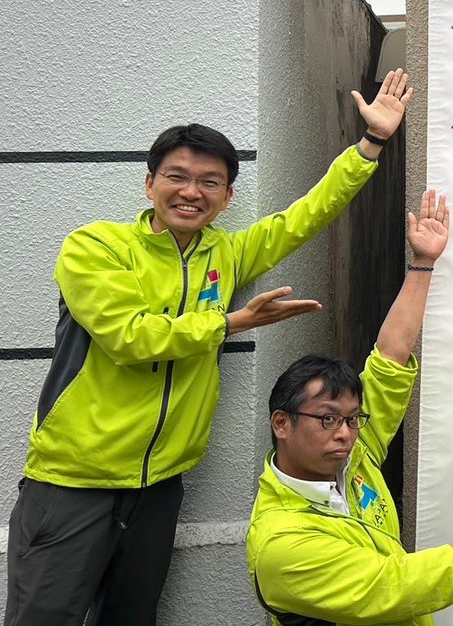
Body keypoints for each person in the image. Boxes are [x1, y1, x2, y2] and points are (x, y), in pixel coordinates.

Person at [5, 70, 414, 626]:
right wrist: (233, 322)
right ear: (149, 184)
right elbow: (130, 337)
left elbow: (303, 217)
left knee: (131, 618)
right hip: (73, 481)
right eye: (176, 176)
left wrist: (371, 145)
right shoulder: (95, 246)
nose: (191, 192)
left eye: (209, 182)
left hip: (160, 486)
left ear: (227, 197)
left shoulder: (225, 253)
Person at [247, 190, 453, 626]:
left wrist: (423, 263)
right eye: (327, 419)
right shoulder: (282, 541)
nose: (345, 433)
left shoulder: (353, 457)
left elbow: (389, 359)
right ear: (282, 423)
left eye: (352, 419)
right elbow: (396, 585)